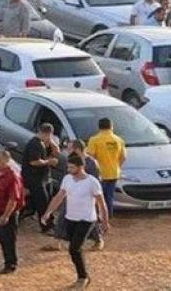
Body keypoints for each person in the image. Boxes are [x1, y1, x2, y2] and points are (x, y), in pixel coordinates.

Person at [42, 155, 109, 289]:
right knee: (75, 249)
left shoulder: (92, 182)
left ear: (81, 167)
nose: (69, 169)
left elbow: (101, 203)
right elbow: (59, 196)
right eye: (68, 167)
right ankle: (82, 274)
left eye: (71, 167)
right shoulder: (67, 179)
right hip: (71, 218)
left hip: (86, 219)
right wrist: (48, 212)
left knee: (74, 248)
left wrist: (105, 221)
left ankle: (83, 277)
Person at [21, 123, 60, 232]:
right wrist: (49, 161)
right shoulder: (34, 144)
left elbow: (57, 151)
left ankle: (49, 222)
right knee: (42, 202)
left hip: (43, 177)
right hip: (34, 178)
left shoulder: (44, 142)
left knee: (48, 200)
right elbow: (34, 162)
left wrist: (51, 141)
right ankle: (46, 226)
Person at [87, 118, 126, 218]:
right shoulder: (118, 140)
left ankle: (99, 216)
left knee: (99, 197)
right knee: (110, 196)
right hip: (114, 173)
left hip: (100, 173)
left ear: (99, 127)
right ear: (111, 126)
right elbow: (123, 157)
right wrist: (117, 167)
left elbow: (90, 156)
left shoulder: (94, 140)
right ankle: (108, 216)